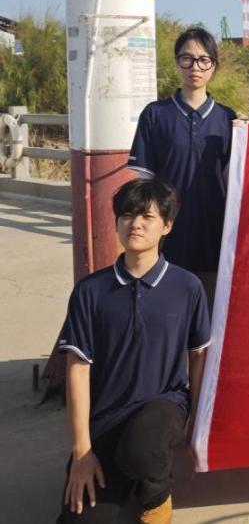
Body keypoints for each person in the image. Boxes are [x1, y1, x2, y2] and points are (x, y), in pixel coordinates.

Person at [56, 179, 210, 523]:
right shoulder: (90, 291)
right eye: (127, 215)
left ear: (167, 226)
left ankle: (157, 497)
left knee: (141, 451)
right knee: (80, 517)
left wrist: (196, 431)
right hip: (107, 418)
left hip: (164, 405)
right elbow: (78, 368)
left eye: (147, 216)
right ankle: (130, 486)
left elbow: (199, 357)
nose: (135, 224)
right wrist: (82, 452)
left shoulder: (187, 287)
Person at [127, 27, 235, 292]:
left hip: (214, 233)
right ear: (177, 62)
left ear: (213, 66)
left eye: (204, 60)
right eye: (187, 59)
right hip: (168, 234)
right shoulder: (155, 114)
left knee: (210, 304)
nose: (195, 67)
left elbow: (235, 181)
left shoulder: (227, 118)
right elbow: (145, 184)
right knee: (168, 303)